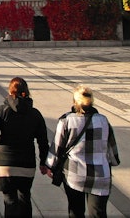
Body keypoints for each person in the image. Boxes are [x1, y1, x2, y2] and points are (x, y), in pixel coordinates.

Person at [46, 85, 120, 218]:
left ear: (75, 102)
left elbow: (57, 147)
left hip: (74, 175)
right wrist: (114, 161)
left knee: (75, 211)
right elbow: (112, 149)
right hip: (100, 175)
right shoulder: (103, 121)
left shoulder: (66, 120)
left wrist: (50, 165)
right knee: (98, 213)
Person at [0, 77, 49, 217]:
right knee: (25, 197)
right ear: (26, 92)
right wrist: (43, 162)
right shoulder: (35, 114)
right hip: (26, 163)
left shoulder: (2, 111)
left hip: (5, 163)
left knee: (9, 200)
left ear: (10, 91)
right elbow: (43, 141)